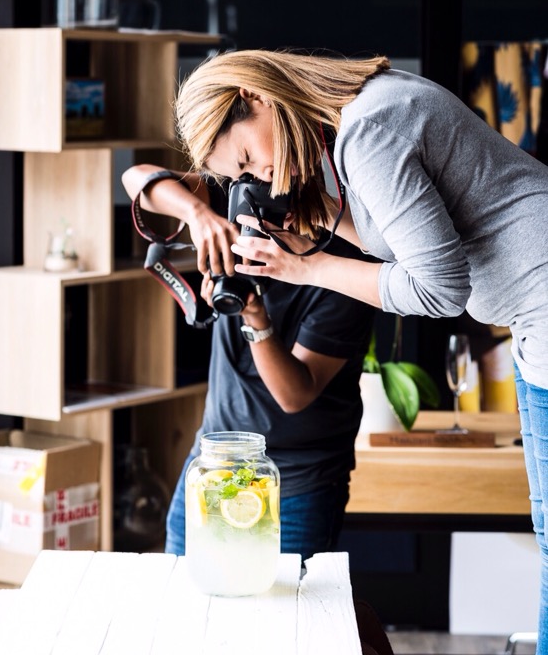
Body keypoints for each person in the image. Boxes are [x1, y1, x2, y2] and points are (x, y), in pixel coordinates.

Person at [172, 48, 548, 651]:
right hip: (532, 320)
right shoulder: (361, 114)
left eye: (246, 158)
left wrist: (307, 268)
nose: (259, 174)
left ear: (255, 97)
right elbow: (397, 241)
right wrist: (314, 228)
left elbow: (440, 289)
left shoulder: (368, 130)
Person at [121, 162, 376, 561]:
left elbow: (294, 394)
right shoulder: (241, 203)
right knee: (182, 592)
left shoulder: (342, 268)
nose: (260, 230)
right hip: (213, 461)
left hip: (295, 481)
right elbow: (135, 179)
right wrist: (199, 215)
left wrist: (254, 318)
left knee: (283, 600)